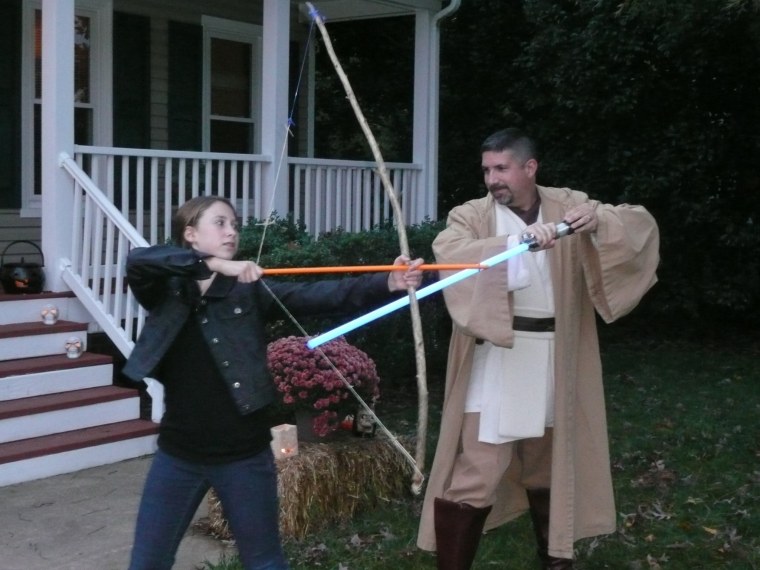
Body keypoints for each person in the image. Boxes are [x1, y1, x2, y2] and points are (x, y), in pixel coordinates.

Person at [122, 195, 424, 570]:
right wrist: (214, 264)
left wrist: (386, 282)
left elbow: (320, 295)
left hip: (243, 456)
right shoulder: (163, 290)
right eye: (220, 223)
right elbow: (138, 260)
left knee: (264, 562)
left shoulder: (248, 290)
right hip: (178, 456)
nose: (232, 231)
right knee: (147, 562)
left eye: (235, 224)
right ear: (190, 234)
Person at [416, 128, 659, 569]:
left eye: (502, 168)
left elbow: (638, 224)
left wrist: (599, 222)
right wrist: (517, 245)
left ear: (530, 168)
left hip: (557, 356)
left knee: (549, 465)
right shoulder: (471, 214)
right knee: (479, 468)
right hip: (501, 352)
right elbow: (452, 252)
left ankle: (555, 561)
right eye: (487, 169)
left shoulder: (568, 204)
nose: (492, 179)